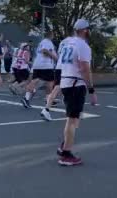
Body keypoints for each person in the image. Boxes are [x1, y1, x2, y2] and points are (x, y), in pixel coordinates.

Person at [56, 19, 95, 166]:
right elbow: (85, 69)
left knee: (74, 118)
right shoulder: (83, 45)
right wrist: (91, 89)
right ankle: (66, 154)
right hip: (75, 83)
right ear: (85, 30)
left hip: (66, 80)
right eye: (89, 29)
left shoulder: (68, 42)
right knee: (72, 120)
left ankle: (65, 144)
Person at [21, 30, 58, 111]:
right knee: (50, 82)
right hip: (46, 65)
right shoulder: (48, 42)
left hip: (37, 64)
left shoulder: (41, 42)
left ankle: (26, 98)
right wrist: (55, 57)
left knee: (35, 81)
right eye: (53, 34)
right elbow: (45, 51)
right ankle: (48, 100)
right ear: (51, 35)